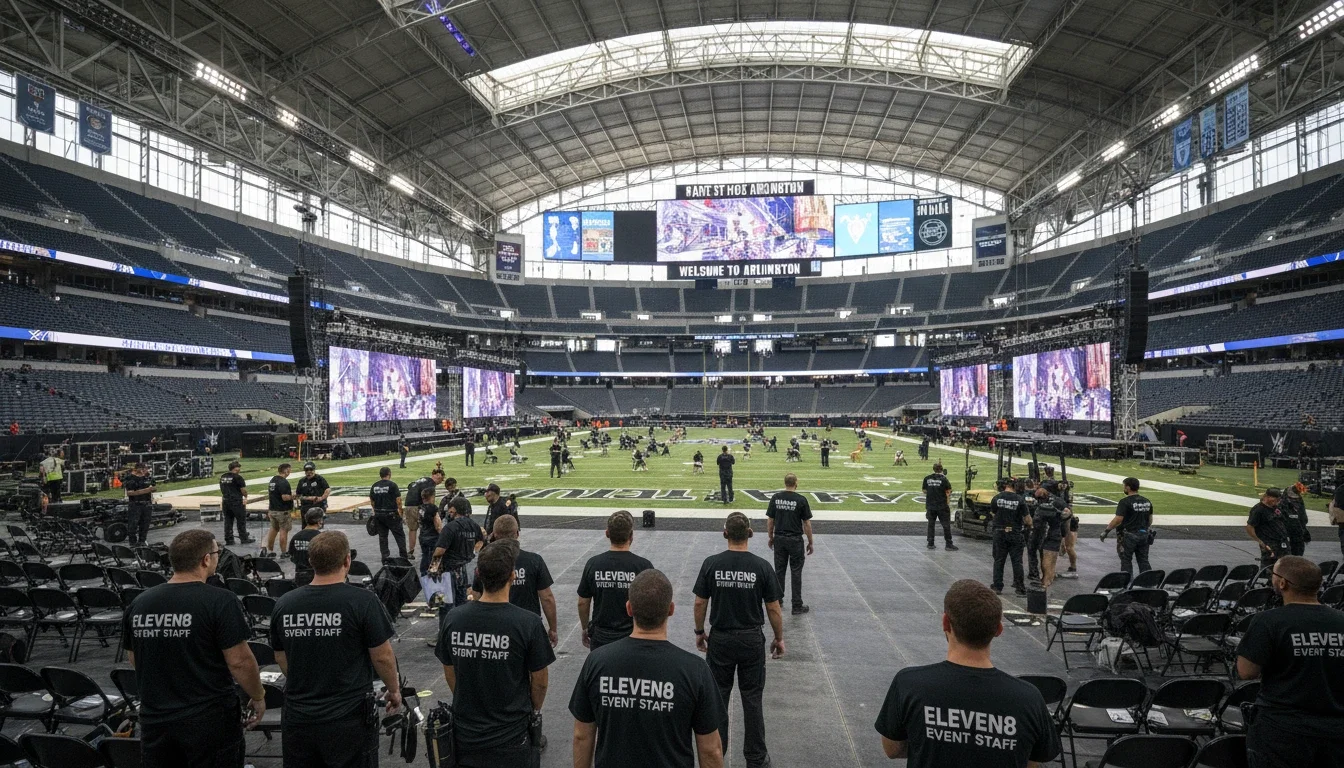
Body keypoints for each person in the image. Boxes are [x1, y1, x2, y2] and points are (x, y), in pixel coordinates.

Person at [874, 579, 1061, 767]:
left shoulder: (909, 684)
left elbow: (892, 749)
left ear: (945, 622)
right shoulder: (1029, 699)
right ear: (999, 629)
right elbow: (1031, 762)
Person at [124, 529, 265, 767]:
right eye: (216, 553)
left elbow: (135, 658)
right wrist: (258, 696)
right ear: (206, 559)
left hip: (156, 716)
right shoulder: (220, 600)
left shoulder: (140, 603)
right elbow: (239, 661)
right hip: (209, 719)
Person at [272, 531, 402, 768]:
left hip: (299, 714)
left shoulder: (285, 603)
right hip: (348, 717)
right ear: (347, 561)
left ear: (310, 562)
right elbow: (382, 656)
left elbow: (280, 655)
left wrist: (306, 680)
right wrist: (394, 690)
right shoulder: (363, 601)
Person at [570, 569, 724, 768]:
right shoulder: (695, 670)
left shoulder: (597, 662)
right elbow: (711, 749)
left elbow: (581, 736)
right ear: (671, 609)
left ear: (629, 609)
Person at [439, 539, 556, 767]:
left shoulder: (454, 618)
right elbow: (540, 681)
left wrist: (467, 700)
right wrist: (532, 710)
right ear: (512, 576)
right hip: (511, 735)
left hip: (466, 734)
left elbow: (449, 670)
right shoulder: (528, 623)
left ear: (478, 575)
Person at [694, 513, 785, 768]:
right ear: (750, 533)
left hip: (721, 639)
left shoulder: (711, 563)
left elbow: (700, 601)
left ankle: (715, 754)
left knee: (718, 699)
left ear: (725, 534)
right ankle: (756, 759)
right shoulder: (762, 566)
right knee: (752, 699)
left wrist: (699, 632)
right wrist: (779, 638)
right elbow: (774, 609)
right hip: (750, 639)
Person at [1236, 556, 1344, 767]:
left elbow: (1246, 672)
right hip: (1335, 728)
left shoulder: (1268, 621)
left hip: (1282, 730)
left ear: (1283, 583)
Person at [470, 515, 559, 647]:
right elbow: (547, 597)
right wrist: (553, 629)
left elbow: (476, 595)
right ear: (517, 534)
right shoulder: (534, 561)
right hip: (527, 626)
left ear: (494, 535)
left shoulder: (485, 560)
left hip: (495, 626)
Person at [578, 511, 654, 650]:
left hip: (601, 636)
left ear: (607, 533)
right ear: (631, 535)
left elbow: (583, 602)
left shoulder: (593, 564)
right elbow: (651, 605)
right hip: (633, 635)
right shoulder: (643, 566)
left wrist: (585, 628)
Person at [766, 473, 814, 615]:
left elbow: (770, 520)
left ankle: (778, 601)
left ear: (785, 482)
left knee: (779, 571)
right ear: (796, 483)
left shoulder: (776, 498)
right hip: (795, 539)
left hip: (780, 538)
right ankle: (797, 605)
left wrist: (770, 536)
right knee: (796, 572)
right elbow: (806, 523)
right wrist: (810, 541)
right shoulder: (801, 499)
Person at [431, 496, 487, 613]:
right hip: (464, 573)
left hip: (447, 573)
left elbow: (439, 551)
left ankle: (445, 630)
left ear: (454, 510)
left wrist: (433, 570)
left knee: (444, 607)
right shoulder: (474, 526)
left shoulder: (450, 527)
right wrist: (472, 552)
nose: (449, 513)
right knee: (462, 605)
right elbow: (481, 540)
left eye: (450, 511)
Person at [1101, 477, 1154, 578]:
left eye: (1124, 486)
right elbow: (1150, 520)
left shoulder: (1125, 502)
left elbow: (1118, 519)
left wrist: (1106, 531)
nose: (1123, 488)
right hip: (1144, 535)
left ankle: (1127, 584)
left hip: (1129, 536)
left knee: (1126, 561)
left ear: (1128, 487)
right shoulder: (1147, 501)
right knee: (1143, 560)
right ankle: (1148, 584)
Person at [989, 480, 1030, 596]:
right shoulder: (1020, 500)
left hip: (1000, 532)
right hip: (1015, 533)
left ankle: (997, 587)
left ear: (1006, 486)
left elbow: (993, 513)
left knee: (999, 561)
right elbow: (1028, 519)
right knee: (1017, 562)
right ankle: (1020, 588)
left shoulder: (997, 498)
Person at [404, 469, 445, 559]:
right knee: (428, 526)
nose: (439, 482)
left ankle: (410, 551)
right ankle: (432, 550)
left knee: (412, 529)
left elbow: (410, 486)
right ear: (437, 475)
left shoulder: (422, 479)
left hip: (408, 505)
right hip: (417, 506)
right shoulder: (431, 483)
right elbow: (430, 498)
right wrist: (432, 510)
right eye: (440, 479)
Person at [369, 466, 407, 562]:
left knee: (383, 537)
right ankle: (403, 557)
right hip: (391, 514)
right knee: (399, 536)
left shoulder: (374, 485)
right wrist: (401, 513)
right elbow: (398, 500)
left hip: (379, 514)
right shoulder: (392, 485)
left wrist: (376, 511)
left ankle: (385, 557)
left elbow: (372, 501)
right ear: (389, 474)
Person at [1246, 488, 1290, 566]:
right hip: (1270, 543)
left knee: (1285, 566)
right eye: (1275, 500)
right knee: (1270, 567)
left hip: (1282, 541)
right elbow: (1250, 527)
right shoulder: (1258, 510)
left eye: (1278, 500)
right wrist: (1260, 542)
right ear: (1267, 497)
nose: (1277, 502)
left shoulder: (1275, 507)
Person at [922, 463, 956, 552]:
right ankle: (948, 544)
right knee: (946, 525)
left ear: (933, 469)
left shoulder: (927, 478)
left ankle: (930, 543)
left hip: (930, 505)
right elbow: (949, 491)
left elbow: (924, 490)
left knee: (931, 525)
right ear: (941, 469)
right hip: (942, 506)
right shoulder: (944, 479)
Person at [263, 463, 294, 559]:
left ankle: (270, 551)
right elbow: (285, 497)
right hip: (282, 511)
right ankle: (284, 552)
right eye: (289, 470)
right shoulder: (284, 482)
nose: (290, 472)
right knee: (283, 531)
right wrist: (293, 496)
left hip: (272, 509)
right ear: (286, 471)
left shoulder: (273, 480)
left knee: (273, 529)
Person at [219, 459, 252, 546]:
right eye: (238, 468)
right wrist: (246, 496)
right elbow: (243, 490)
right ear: (235, 469)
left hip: (225, 501)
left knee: (228, 521)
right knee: (241, 521)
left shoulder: (223, 477)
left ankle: (229, 539)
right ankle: (244, 538)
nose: (239, 470)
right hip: (236, 502)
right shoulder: (238, 477)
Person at [288, 508, 324, 585]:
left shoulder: (296, 537)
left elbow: (292, 555)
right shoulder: (321, 538)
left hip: (300, 577)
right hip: (317, 577)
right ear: (319, 521)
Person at [123, 462, 156, 546]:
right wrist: (146, 490)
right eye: (144, 469)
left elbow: (153, 487)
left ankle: (142, 541)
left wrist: (150, 492)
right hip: (135, 504)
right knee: (133, 525)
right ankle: (133, 543)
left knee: (145, 524)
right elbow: (130, 493)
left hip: (147, 503)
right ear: (139, 469)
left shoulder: (148, 477)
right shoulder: (130, 479)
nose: (146, 470)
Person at [416, 488, 444, 575]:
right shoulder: (433, 508)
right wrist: (443, 535)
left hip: (423, 535)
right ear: (432, 497)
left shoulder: (420, 507)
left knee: (425, 555)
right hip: (433, 537)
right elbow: (438, 525)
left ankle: (423, 573)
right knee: (435, 556)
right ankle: (433, 574)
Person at [1280, 484, 1310, 556]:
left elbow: (1303, 517)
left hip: (1297, 532)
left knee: (1298, 554)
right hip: (1284, 532)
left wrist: (1304, 530)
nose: (1294, 500)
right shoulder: (1281, 502)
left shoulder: (1299, 501)